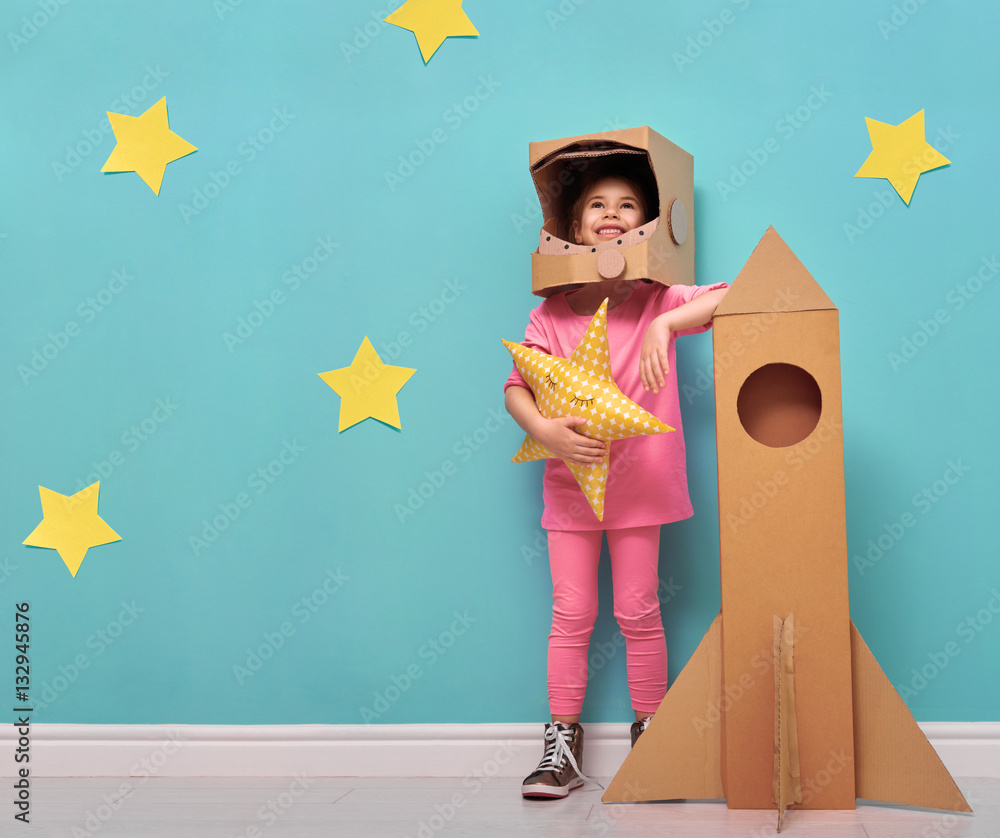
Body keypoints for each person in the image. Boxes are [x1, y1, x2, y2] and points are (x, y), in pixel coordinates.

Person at [505, 168, 728, 799]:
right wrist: (544, 431)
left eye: (628, 204)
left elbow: (739, 293)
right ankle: (561, 748)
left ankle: (652, 736)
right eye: (597, 205)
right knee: (572, 614)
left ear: (646, 226)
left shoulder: (660, 297)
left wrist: (666, 325)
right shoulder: (547, 315)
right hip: (572, 486)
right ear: (572, 229)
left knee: (639, 610)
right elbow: (518, 387)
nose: (612, 213)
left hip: (641, 487)